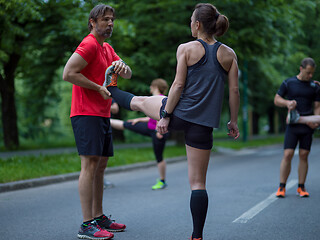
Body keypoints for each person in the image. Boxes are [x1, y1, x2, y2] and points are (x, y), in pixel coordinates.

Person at [106, 3, 240, 239]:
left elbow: (178, 85)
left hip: (178, 114)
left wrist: (165, 116)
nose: (190, 23)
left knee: (139, 101)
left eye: (191, 20)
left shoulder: (186, 48)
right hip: (203, 125)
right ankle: (197, 236)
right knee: (198, 184)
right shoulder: (229, 54)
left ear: (197, 24)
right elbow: (234, 92)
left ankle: (110, 86)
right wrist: (233, 121)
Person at [63, 4, 131, 240]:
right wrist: (98, 88)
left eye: (112, 20)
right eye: (105, 19)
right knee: (89, 166)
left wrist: (123, 68)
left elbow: (127, 73)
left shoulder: (107, 48)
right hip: (85, 112)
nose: (110, 23)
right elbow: (69, 73)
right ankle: (86, 224)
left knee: (100, 166)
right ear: (92, 22)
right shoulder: (89, 44)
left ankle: (99, 216)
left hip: (102, 114)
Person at [111, 78, 170, 190]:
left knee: (159, 157)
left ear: (155, 87)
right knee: (129, 124)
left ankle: (162, 181)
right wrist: (138, 120)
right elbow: (151, 116)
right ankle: (105, 121)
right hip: (150, 128)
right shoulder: (155, 98)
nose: (150, 88)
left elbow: (162, 115)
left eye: (151, 87)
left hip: (158, 131)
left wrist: (159, 132)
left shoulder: (161, 98)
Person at [274, 57, 320, 198]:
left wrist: (316, 122)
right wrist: (287, 103)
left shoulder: (315, 86)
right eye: (308, 72)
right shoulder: (289, 83)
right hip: (293, 125)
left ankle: (301, 187)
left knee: (304, 155)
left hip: (307, 125)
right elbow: (277, 99)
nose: (310, 75)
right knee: (287, 154)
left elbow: (317, 107)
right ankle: (282, 187)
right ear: (301, 68)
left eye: (312, 73)